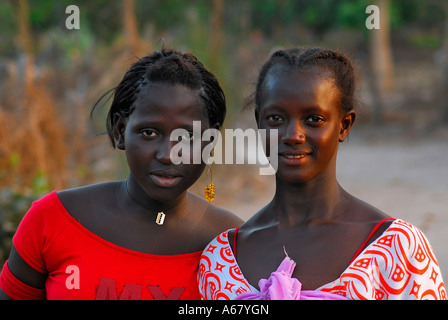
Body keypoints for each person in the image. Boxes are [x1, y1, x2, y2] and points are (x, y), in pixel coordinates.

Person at [198, 47, 446, 300]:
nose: (293, 135)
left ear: (344, 125)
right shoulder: (221, 261)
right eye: (275, 118)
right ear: (259, 122)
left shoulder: (398, 250)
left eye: (314, 119)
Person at [0, 49, 242, 300]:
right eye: (149, 133)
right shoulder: (53, 220)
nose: (169, 154)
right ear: (120, 131)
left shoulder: (233, 244)